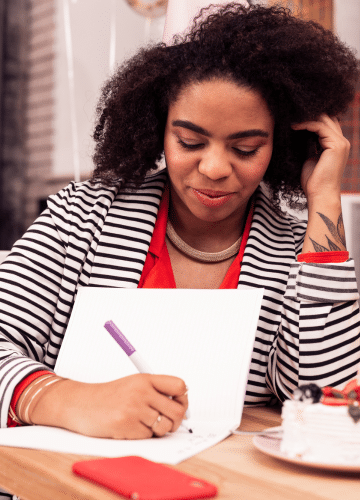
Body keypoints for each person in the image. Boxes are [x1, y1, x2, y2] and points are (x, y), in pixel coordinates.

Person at [0, 2, 359, 446]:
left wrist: (324, 198)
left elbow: (328, 396)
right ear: (158, 130)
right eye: (190, 141)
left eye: (245, 148)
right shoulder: (81, 219)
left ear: (280, 145)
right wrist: (68, 400)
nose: (213, 168)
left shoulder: (294, 251)